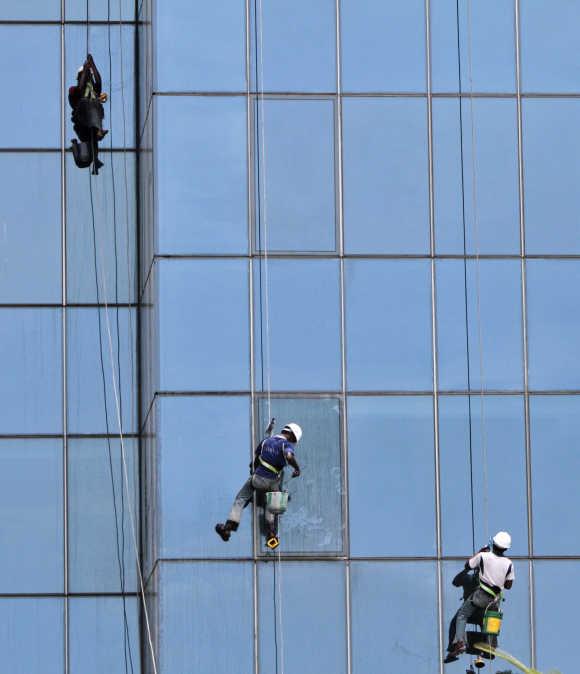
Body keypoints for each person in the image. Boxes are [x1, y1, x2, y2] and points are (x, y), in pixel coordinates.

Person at [215, 422, 302, 542]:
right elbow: (289, 456)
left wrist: (255, 472)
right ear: (291, 434)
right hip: (272, 483)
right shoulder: (285, 444)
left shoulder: (266, 441)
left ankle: (228, 528)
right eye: (294, 439)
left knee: (241, 498)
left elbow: (255, 461)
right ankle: (271, 534)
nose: (293, 442)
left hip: (257, 479)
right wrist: (297, 468)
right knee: (271, 505)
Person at [446, 531, 515, 661]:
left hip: (481, 596)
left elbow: (468, 565)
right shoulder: (509, 563)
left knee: (462, 615)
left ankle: (460, 643)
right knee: (490, 621)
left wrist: (480, 552)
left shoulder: (483, 556)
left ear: (493, 544)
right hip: (494, 600)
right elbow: (508, 585)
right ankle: (490, 648)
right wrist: (499, 577)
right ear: (506, 548)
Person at [69, 54, 108, 172]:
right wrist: (86, 69)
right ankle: (97, 133)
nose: (89, 78)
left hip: (92, 122)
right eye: (86, 76)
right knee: (88, 104)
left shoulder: (94, 90)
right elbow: (80, 88)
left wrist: (93, 65)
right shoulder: (74, 91)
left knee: (95, 105)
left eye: (89, 77)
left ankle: (95, 157)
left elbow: (99, 80)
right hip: (82, 122)